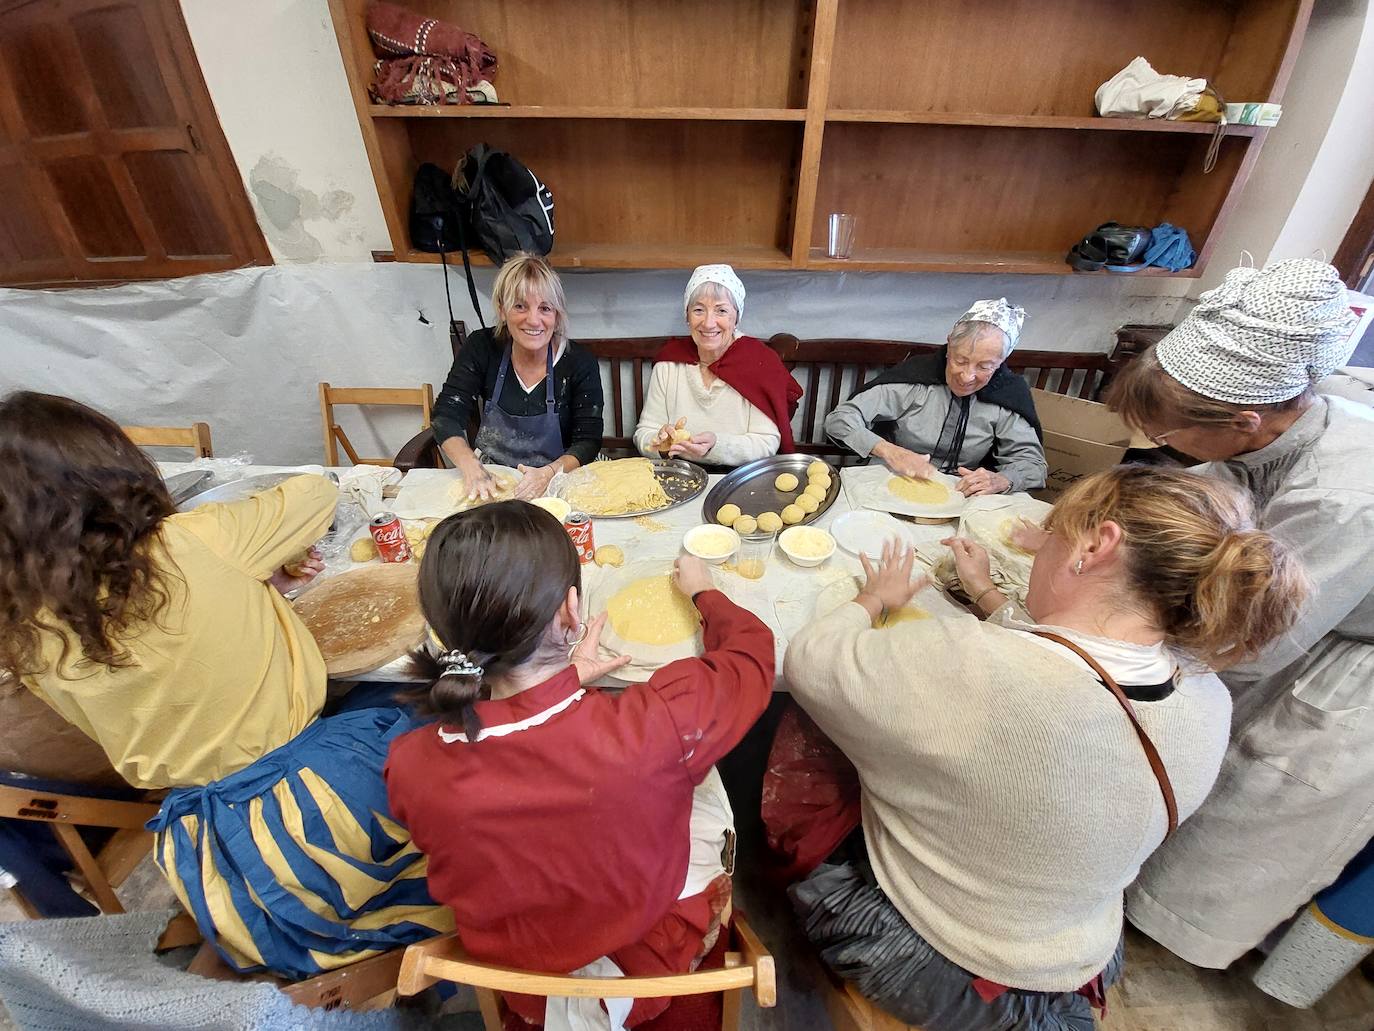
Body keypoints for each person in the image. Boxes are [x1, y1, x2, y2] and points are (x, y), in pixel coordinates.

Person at [778, 465, 1306, 1031]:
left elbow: (811, 661)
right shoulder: (1208, 696)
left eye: (1052, 532)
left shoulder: (970, 664)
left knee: (809, 727)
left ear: (1096, 547)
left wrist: (874, 598)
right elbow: (1067, 660)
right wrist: (985, 592)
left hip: (927, 958)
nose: (1042, 545)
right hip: (1077, 957)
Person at [0, 392, 450, 979]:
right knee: (443, 694)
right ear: (114, 471)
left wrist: (250, 590)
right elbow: (317, 493)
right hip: (327, 807)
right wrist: (252, 568)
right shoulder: (191, 539)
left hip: (215, 858)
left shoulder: (23, 633)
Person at [385, 501, 774, 1028]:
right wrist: (704, 591)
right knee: (703, 782)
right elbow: (752, 656)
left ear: (443, 631)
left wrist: (562, 681)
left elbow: (525, 778)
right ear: (572, 612)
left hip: (520, 976)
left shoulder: (409, 763)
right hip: (645, 957)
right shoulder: (656, 725)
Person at [1104, 257, 1374, 968]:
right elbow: (1208, 488)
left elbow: (1257, 638)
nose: (1164, 448)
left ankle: (1165, 935)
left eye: (1170, 437)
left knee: (1249, 805)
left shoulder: (1344, 497)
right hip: (1278, 623)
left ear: (1244, 421)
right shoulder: (1269, 434)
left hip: (1346, 657)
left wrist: (1129, 663)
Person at [824, 298, 1046, 496]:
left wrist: (1002, 479)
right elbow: (840, 419)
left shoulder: (1008, 394)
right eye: (960, 361)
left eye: (984, 366)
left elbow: (1033, 465)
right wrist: (889, 451)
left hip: (961, 494)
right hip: (890, 482)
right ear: (949, 345)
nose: (967, 376)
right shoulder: (915, 380)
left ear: (1001, 361)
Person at [432, 253, 604, 500]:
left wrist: (548, 473)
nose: (533, 320)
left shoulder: (579, 362)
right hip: (492, 477)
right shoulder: (482, 347)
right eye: (520, 306)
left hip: (557, 478)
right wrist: (471, 467)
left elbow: (588, 440)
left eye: (545, 308)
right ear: (502, 309)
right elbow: (446, 415)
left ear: (556, 315)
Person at [633, 264, 802, 467]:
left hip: (738, 475)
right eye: (698, 310)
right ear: (687, 316)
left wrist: (717, 445)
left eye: (721, 310)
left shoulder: (759, 363)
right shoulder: (669, 364)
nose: (708, 323)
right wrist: (660, 444)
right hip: (679, 473)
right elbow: (644, 433)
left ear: (736, 317)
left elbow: (766, 443)